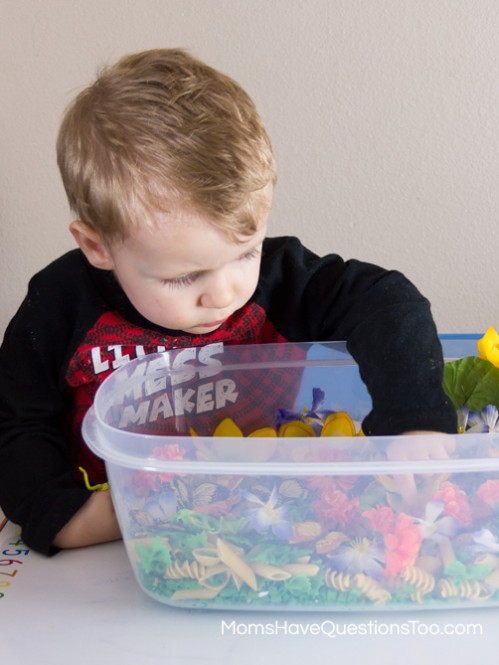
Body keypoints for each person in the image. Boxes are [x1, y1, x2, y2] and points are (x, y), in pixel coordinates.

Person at [0, 48, 456, 556]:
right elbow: (16, 419)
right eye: (184, 276)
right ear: (98, 247)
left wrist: (412, 419)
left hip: (275, 526)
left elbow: (387, 303)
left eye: (245, 253)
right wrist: (66, 517)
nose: (224, 293)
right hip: (111, 539)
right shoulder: (59, 304)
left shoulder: (283, 281)